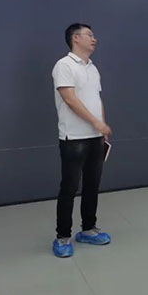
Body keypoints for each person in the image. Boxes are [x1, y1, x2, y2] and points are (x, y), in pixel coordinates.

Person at [51, 23, 112, 258]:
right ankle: (62, 236)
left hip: (96, 137)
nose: (94, 39)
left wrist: (102, 126)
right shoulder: (64, 65)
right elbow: (70, 100)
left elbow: (97, 99)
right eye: (89, 35)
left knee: (92, 185)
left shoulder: (92, 68)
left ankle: (88, 229)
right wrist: (96, 123)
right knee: (69, 187)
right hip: (73, 138)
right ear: (75, 38)